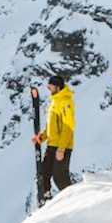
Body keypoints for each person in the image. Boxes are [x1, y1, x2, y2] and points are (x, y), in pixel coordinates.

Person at [31, 74, 74, 202]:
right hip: (51, 145)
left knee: (59, 176)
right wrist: (41, 137)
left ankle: (74, 200)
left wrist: (61, 149)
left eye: (51, 86)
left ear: (57, 86)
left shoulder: (66, 102)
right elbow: (51, 127)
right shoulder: (54, 102)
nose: (48, 88)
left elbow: (68, 127)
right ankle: (47, 199)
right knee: (44, 174)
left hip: (63, 146)